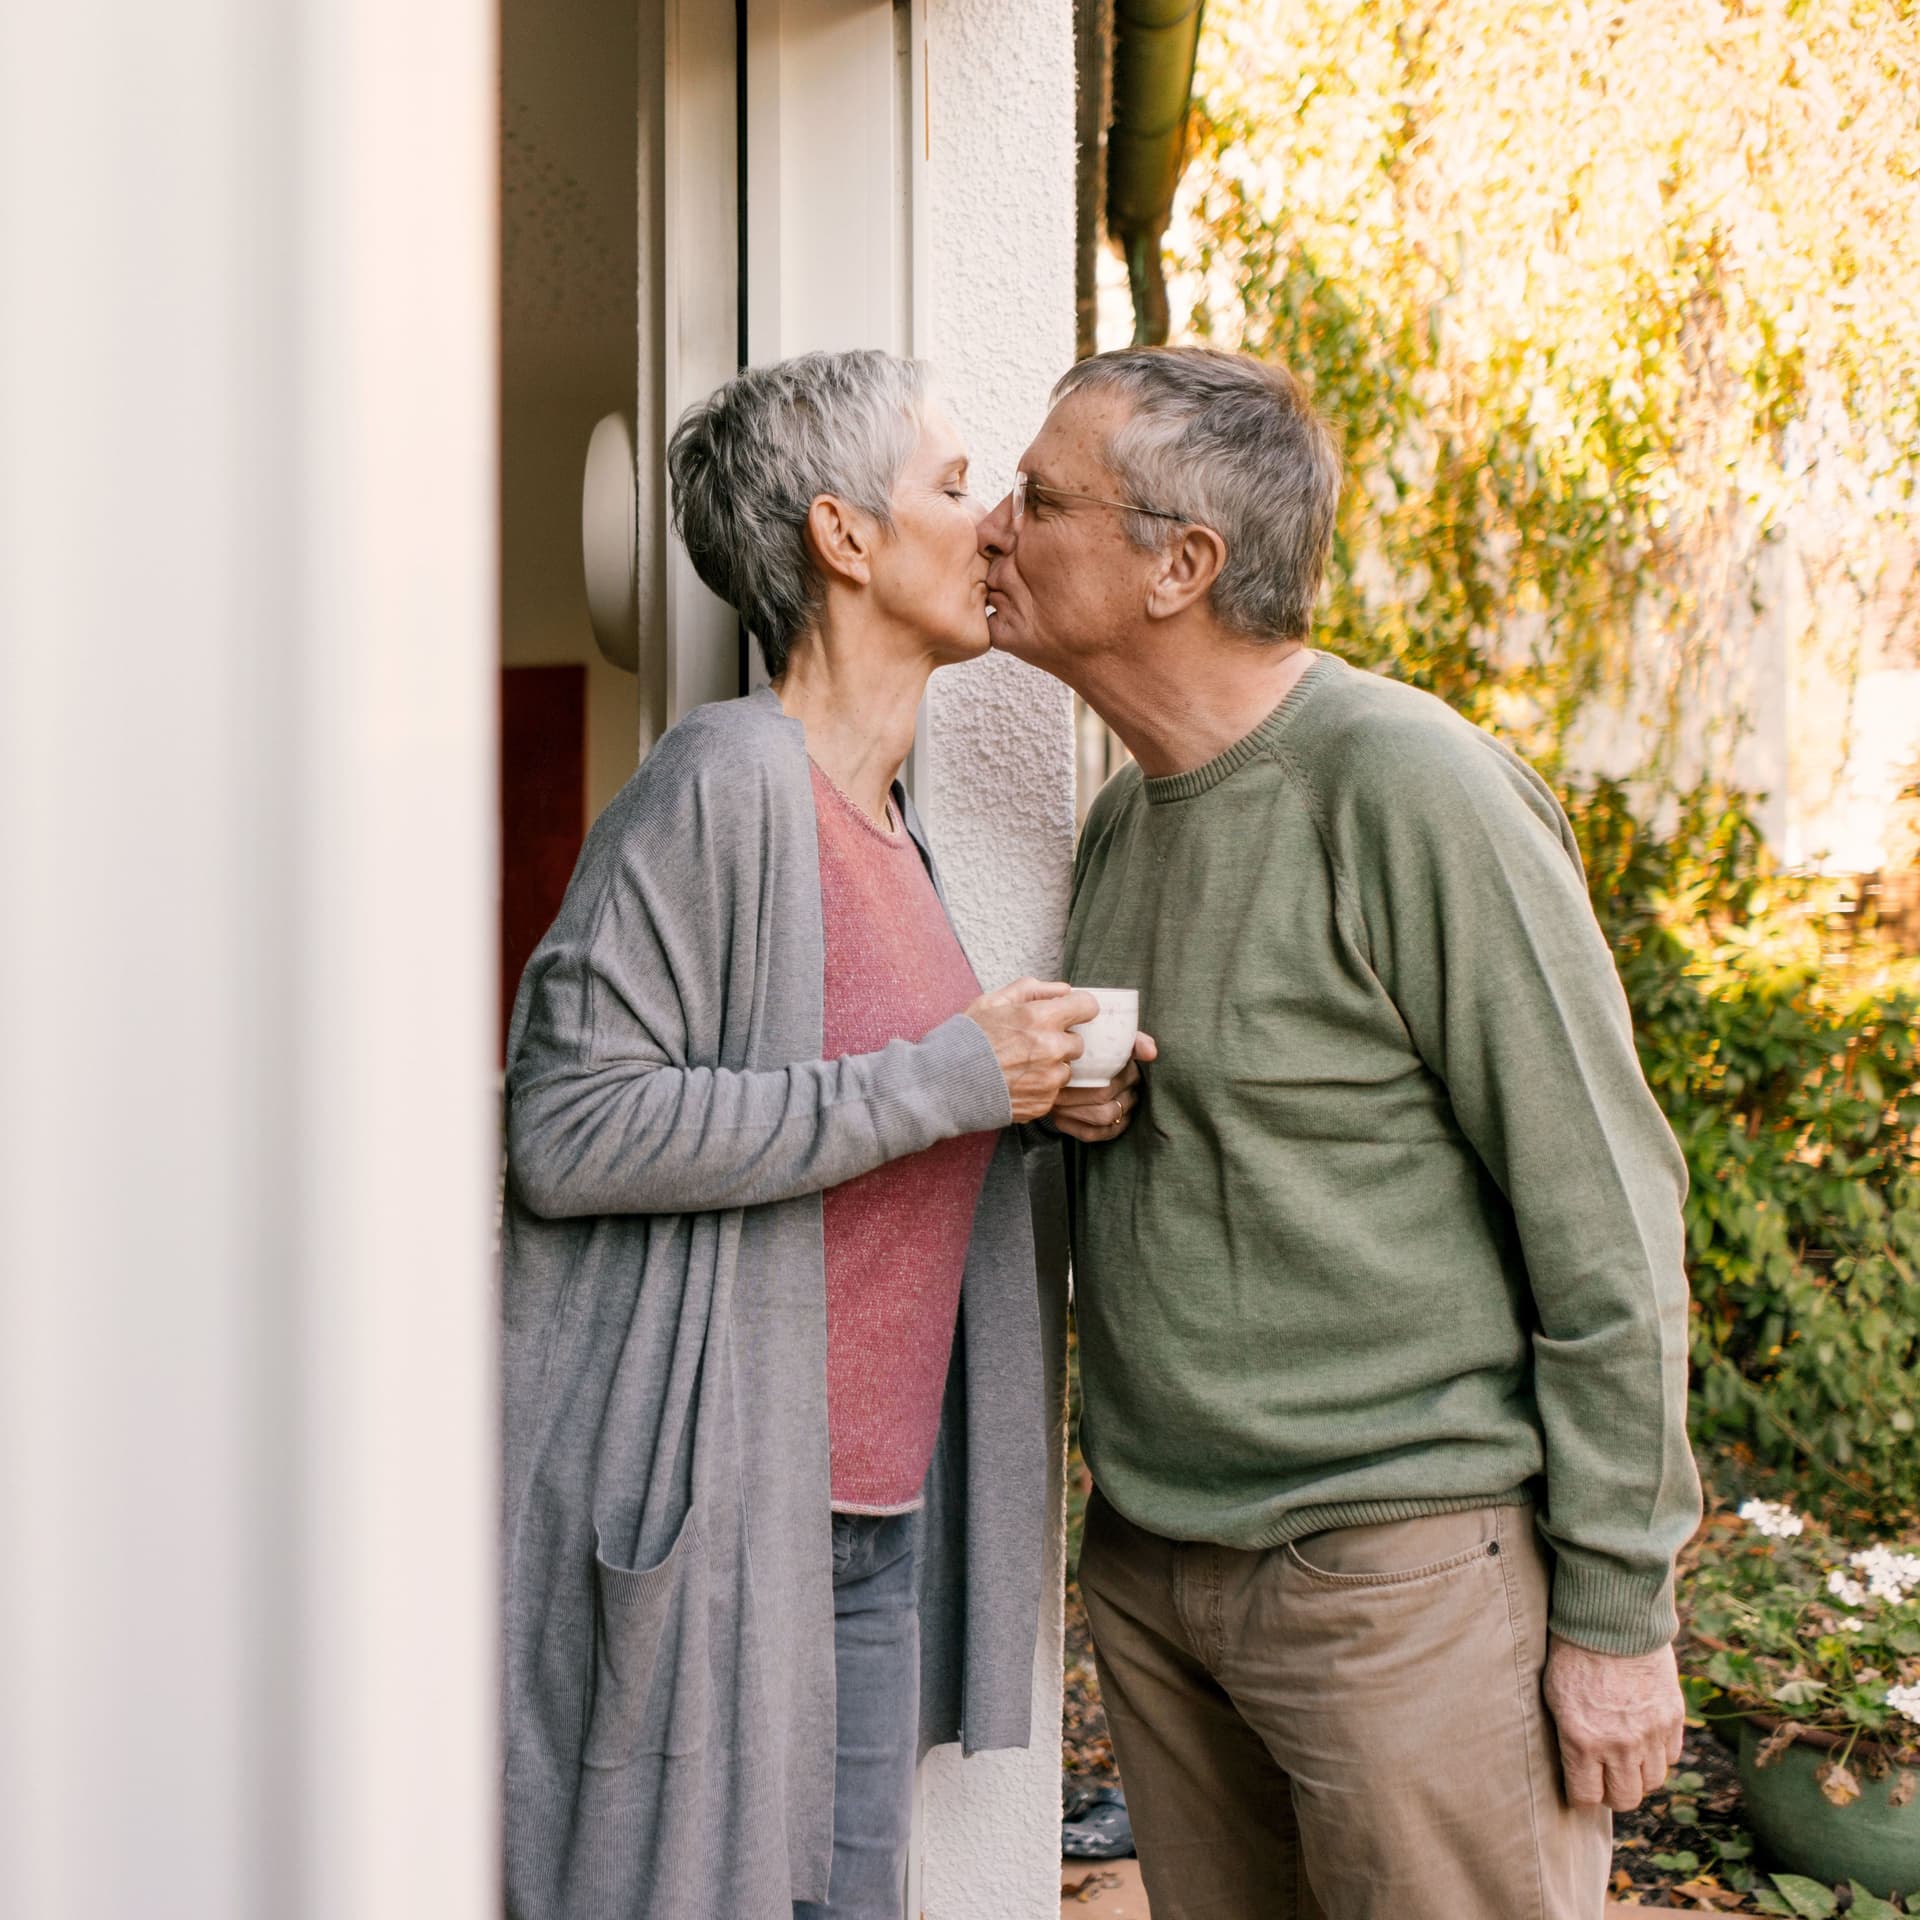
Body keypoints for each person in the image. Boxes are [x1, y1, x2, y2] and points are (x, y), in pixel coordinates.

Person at [979, 344, 1703, 1920]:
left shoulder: (1409, 786)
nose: (991, 527)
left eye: (1037, 500)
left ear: (1182, 563)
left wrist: (1617, 1610)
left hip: (1400, 1585)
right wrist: (1092, 1116)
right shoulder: (1127, 815)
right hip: (1162, 1565)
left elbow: (1609, 1217)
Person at [500, 349, 1130, 1920]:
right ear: (844, 540)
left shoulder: (890, 829)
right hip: (734, 1518)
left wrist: (1037, 1106)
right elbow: (568, 1130)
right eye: (950, 484)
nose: (991, 523)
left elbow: (872, 1121)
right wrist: (949, 1080)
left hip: (873, 1522)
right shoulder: (725, 783)